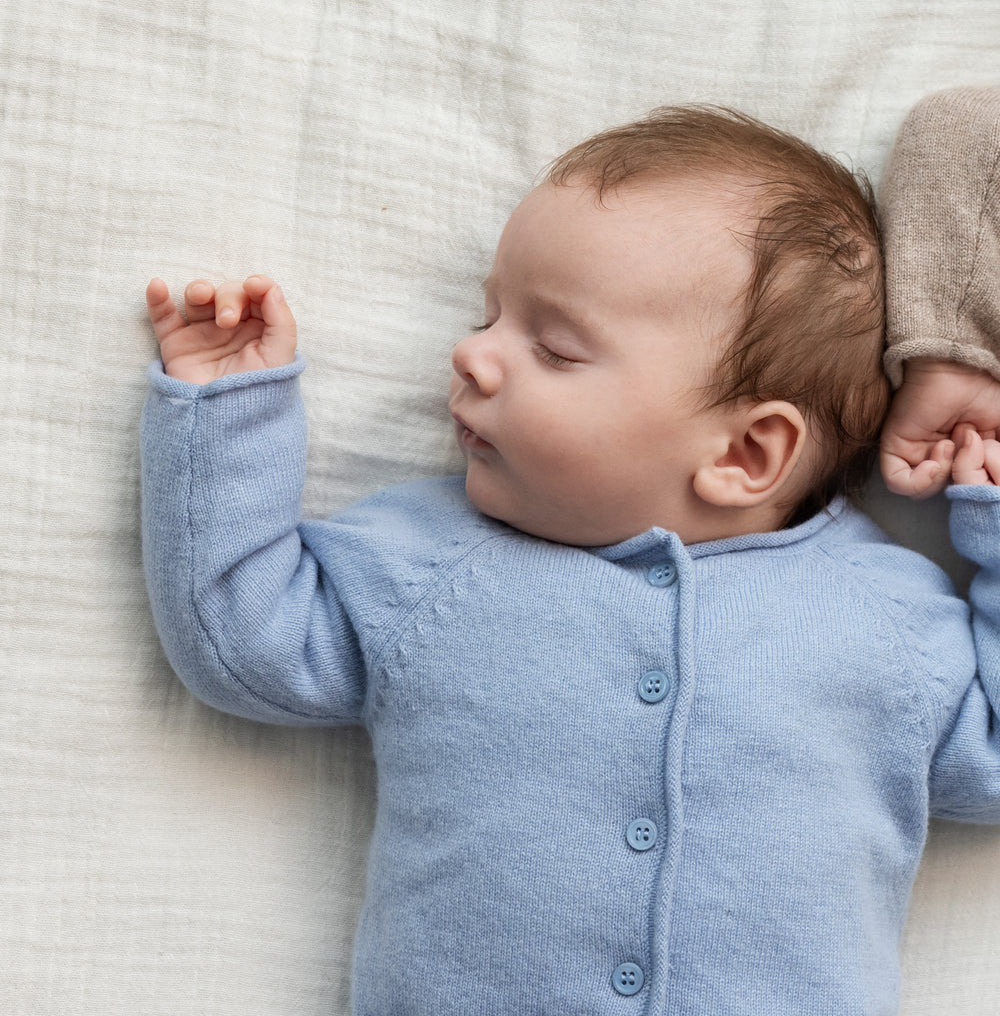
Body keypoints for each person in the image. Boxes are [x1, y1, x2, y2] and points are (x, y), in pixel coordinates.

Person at [141, 92, 1000, 1016]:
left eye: (553, 347)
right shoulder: (430, 564)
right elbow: (243, 638)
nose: (471, 355)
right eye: (488, 315)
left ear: (748, 454)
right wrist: (231, 412)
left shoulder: (883, 619)